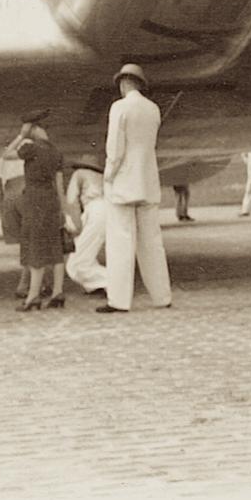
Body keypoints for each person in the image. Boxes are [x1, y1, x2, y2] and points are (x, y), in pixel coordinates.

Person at [98, 63, 172, 313]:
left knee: (120, 241)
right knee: (152, 241)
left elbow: (115, 149)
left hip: (123, 183)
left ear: (123, 83)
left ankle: (118, 300)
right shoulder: (153, 109)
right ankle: (162, 296)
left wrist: (108, 175)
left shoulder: (119, 108)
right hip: (148, 180)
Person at [7, 111, 67, 310]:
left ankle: (33, 296)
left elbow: (6, 155)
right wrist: (63, 210)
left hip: (34, 201)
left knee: (35, 247)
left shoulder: (31, 148)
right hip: (51, 201)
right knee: (55, 248)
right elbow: (59, 186)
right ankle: (58, 293)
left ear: (34, 129)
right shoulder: (56, 152)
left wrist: (20, 137)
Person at [64, 153, 107, 296]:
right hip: (108, 210)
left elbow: (72, 201)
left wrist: (76, 226)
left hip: (94, 210)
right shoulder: (102, 177)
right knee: (87, 253)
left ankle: (112, 282)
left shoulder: (78, 174)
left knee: (77, 261)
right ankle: (95, 286)